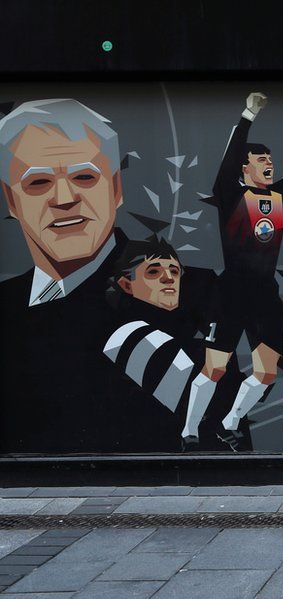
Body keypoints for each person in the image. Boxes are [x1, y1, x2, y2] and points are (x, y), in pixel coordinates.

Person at [0, 98, 173, 453]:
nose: (64, 198)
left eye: (83, 176)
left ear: (115, 189)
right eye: (38, 183)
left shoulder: (175, 293)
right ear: (12, 201)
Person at [180, 92, 283, 446]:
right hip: (231, 291)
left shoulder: (280, 199)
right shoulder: (230, 195)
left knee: (267, 374)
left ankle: (230, 422)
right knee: (216, 368)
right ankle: (189, 431)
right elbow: (227, 162)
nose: (268, 163)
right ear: (244, 167)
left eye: (270, 158)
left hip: (265, 294)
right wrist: (248, 115)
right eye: (260, 159)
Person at [104, 236, 244, 452]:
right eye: (153, 272)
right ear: (126, 284)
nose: (168, 278)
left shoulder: (196, 342)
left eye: (174, 271)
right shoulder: (126, 337)